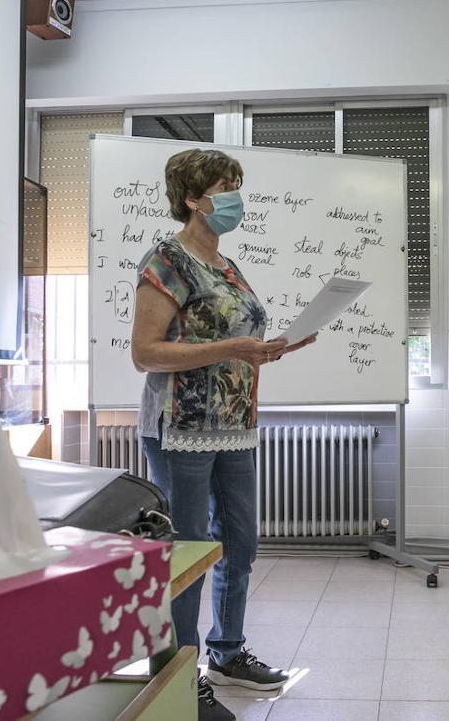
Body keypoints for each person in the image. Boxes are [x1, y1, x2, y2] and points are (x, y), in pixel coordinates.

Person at [131, 149, 316, 721]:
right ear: (192, 198)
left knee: (239, 543)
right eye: (224, 187)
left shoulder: (228, 267)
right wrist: (231, 348)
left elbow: (234, 343)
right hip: (181, 428)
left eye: (238, 185)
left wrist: (265, 351)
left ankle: (227, 653)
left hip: (234, 426)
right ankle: (179, 676)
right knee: (188, 551)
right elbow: (146, 354)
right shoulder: (166, 260)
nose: (235, 196)